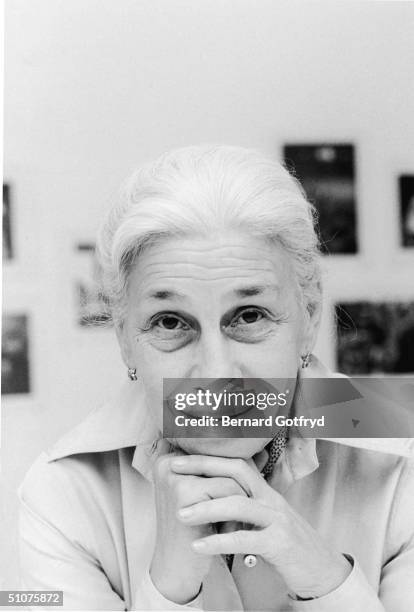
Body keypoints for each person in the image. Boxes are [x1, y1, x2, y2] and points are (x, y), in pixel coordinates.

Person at [18, 145, 414, 610]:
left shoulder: (402, 454)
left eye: (248, 315)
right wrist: (168, 589)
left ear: (308, 317)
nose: (216, 373)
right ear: (125, 338)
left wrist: (326, 581)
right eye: (170, 322)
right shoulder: (62, 488)